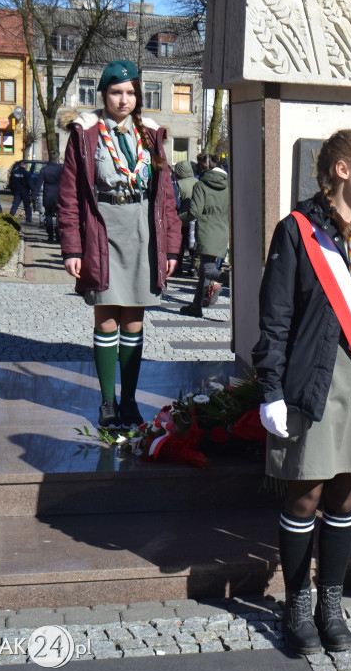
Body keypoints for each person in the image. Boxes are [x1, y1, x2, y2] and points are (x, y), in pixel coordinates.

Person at [251, 129, 351, 655]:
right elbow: (275, 317)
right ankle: (297, 604)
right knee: (306, 491)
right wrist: (270, 388)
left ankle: (330, 603)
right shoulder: (298, 230)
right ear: (343, 170)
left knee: (346, 492)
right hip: (313, 376)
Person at [58, 60, 182, 430]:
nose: (123, 100)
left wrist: (172, 248)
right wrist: (72, 248)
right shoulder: (85, 133)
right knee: (107, 316)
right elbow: (69, 197)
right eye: (116, 92)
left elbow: (167, 197)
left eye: (130, 92)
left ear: (138, 96)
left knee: (134, 320)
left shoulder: (152, 134)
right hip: (102, 230)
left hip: (144, 232)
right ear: (104, 95)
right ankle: (107, 403)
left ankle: (129, 402)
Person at [179, 155, 229, 316]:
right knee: (204, 271)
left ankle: (234, 281)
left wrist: (176, 218)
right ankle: (196, 306)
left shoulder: (200, 185)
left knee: (207, 269)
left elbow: (194, 212)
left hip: (207, 229)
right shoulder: (227, 185)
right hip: (222, 229)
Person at [172, 159, 198, 275]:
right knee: (194, 244)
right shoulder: (198, 182)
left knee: (180, 244)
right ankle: (193, 267)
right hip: (196, 218)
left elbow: (176, 203)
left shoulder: (178, 184)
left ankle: (178, 267)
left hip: (182, 218)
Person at [39, 152, 64, 242]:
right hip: (59, 195)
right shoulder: (61, 170)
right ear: (58, 159)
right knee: (59, 215)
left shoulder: (44, 169)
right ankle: (58, 234)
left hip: (48, 194)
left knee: (48, 214)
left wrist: (34, 195)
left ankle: (50, 235)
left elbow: (38, 183)